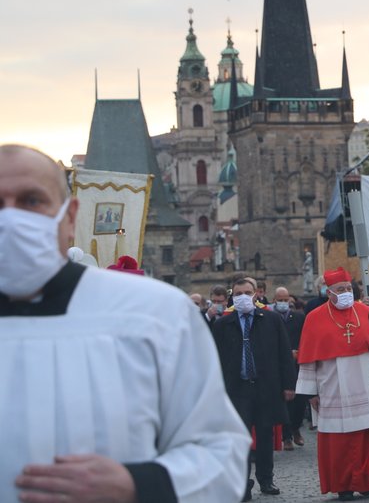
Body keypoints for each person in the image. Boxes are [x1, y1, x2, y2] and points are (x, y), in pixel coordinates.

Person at [0, 144, 251, 503]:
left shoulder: (157, 313)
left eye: (31, 201)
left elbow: (221, 454)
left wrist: (140, 485)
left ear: (70, 218)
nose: (11, 219)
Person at [296, 267, 369, 501]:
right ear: (328, 292)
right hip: (332, 386)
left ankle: (368, 481)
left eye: (348, 288)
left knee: (368, 435)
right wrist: (311, 393)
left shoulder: (366, 312)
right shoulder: (314, 318)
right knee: (339, 441)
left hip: (365, 383)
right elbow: (310, 359)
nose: (345, 293)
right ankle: (343, 484)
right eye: (340, 289)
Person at [212, 274, 297, 501]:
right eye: (238, 294)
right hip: (236, 388)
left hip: (265, 386)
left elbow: (284, 354)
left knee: (265, 435)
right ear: (232, 297)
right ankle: (242, 483)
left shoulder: (270, 320)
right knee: (239, 438)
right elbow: (214, 359)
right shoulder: (223, 324)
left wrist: (289, 385)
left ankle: (266, 479)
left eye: (247, 294)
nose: (243, 298)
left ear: (256, 295)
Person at [272, 286, 307, 451]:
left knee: (300, 400)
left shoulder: (299, 318)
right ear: (274, 301)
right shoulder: (271, 318)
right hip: (279, 365)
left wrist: (299, 352)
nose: (283, 303)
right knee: (283, 401)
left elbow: (305, 337)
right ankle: (286, 436)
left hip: (297, 363)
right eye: (280, 300)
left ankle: (295, 428)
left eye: (286, 300)